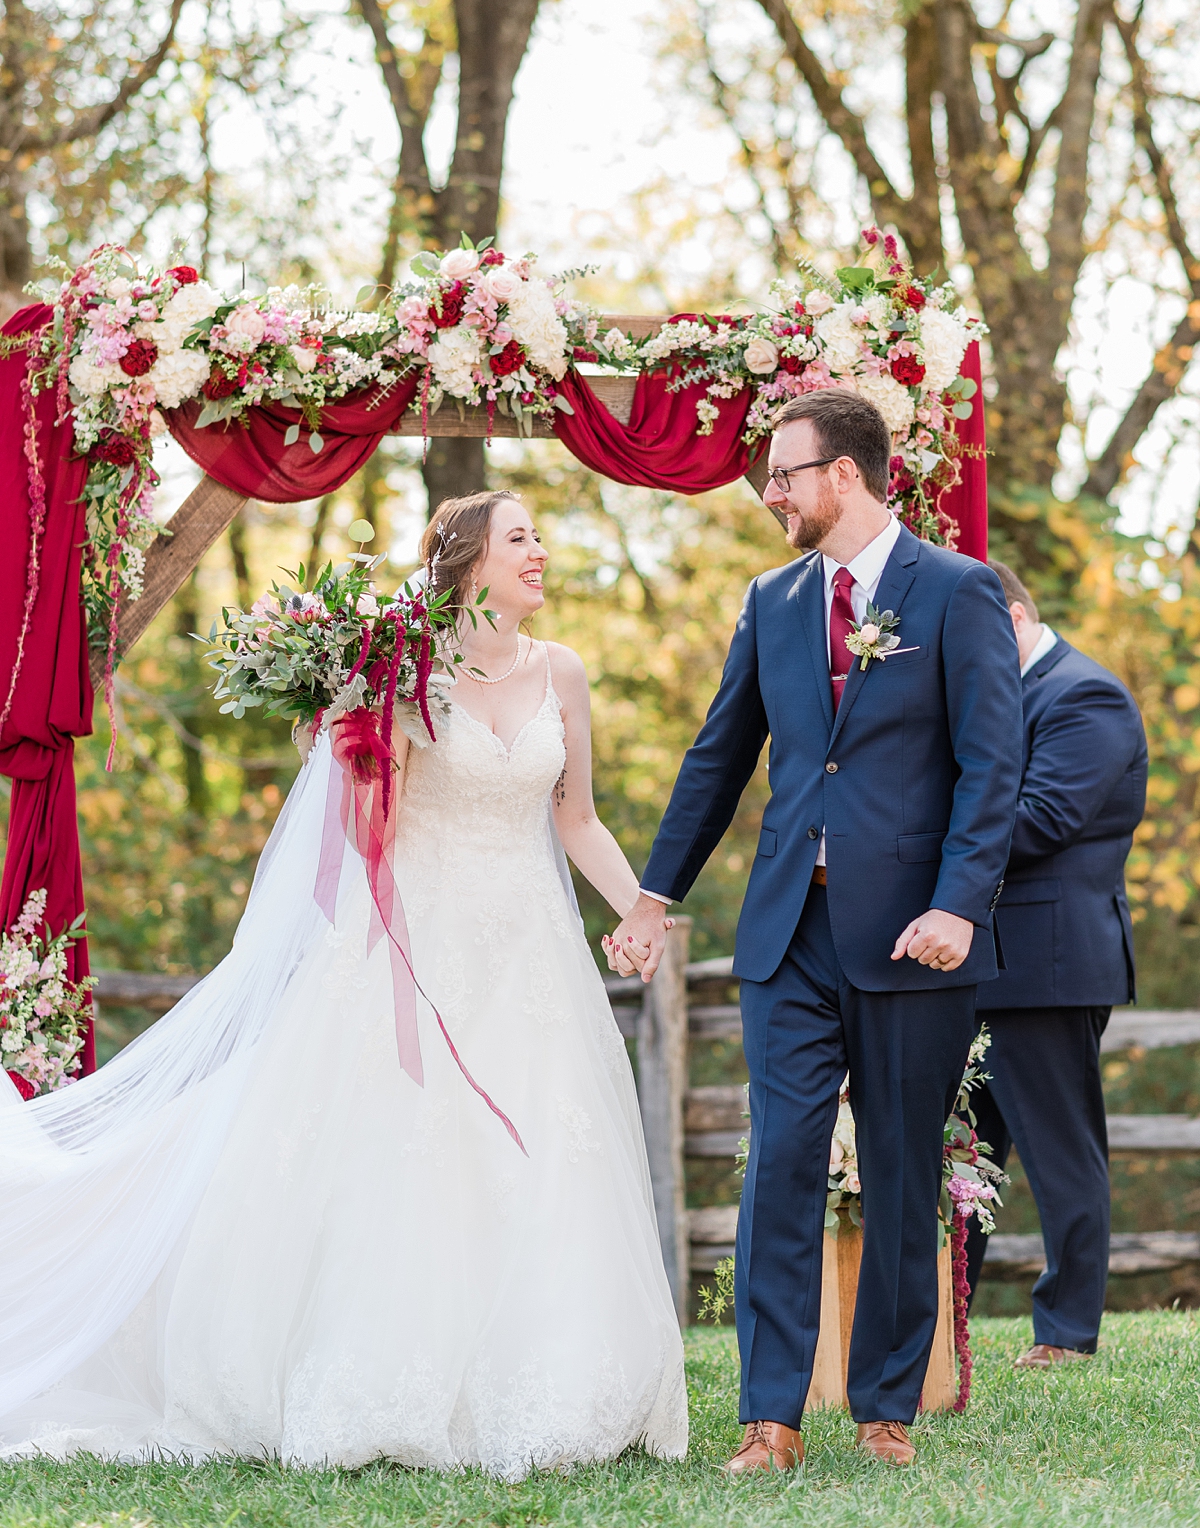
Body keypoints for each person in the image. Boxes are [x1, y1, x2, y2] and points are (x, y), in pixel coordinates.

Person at [0, 490, 687, 1475]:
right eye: (521, 538)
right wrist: (356, 742)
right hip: (417, 949)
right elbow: (369, 830)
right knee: (408, 1157)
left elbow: (577, 817)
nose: (541, 552)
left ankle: (558, 1378)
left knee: (545, 1153)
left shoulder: (563, 672)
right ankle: (380, 1371)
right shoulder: (403, 669)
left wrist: (638, 907)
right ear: (470, 561)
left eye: (539, 537)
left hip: (531, 954)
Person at [608, 391, 1022, 1471]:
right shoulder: (773, 598)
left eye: (784, 474)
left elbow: (994, 765)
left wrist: (958, 903)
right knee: (781, 1162)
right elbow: (718, 757)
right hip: (789, 930)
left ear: (843, 474)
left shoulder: (961, 591)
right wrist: (654, 895)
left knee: (897, 1169)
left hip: (914, 938)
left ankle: (886, 1407)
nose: (771, 493)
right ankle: (770, 1417)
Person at [964, 560, 1148, 1367]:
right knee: (962, 1156)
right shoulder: (1003, 697)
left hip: (1049, 961)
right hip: (978, 961)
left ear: (1007, 619)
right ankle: (942, 1313)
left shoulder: (1085, 696)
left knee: (1060, 1151)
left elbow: (1040, 822)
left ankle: (1067, 1332)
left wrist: (915, 837)